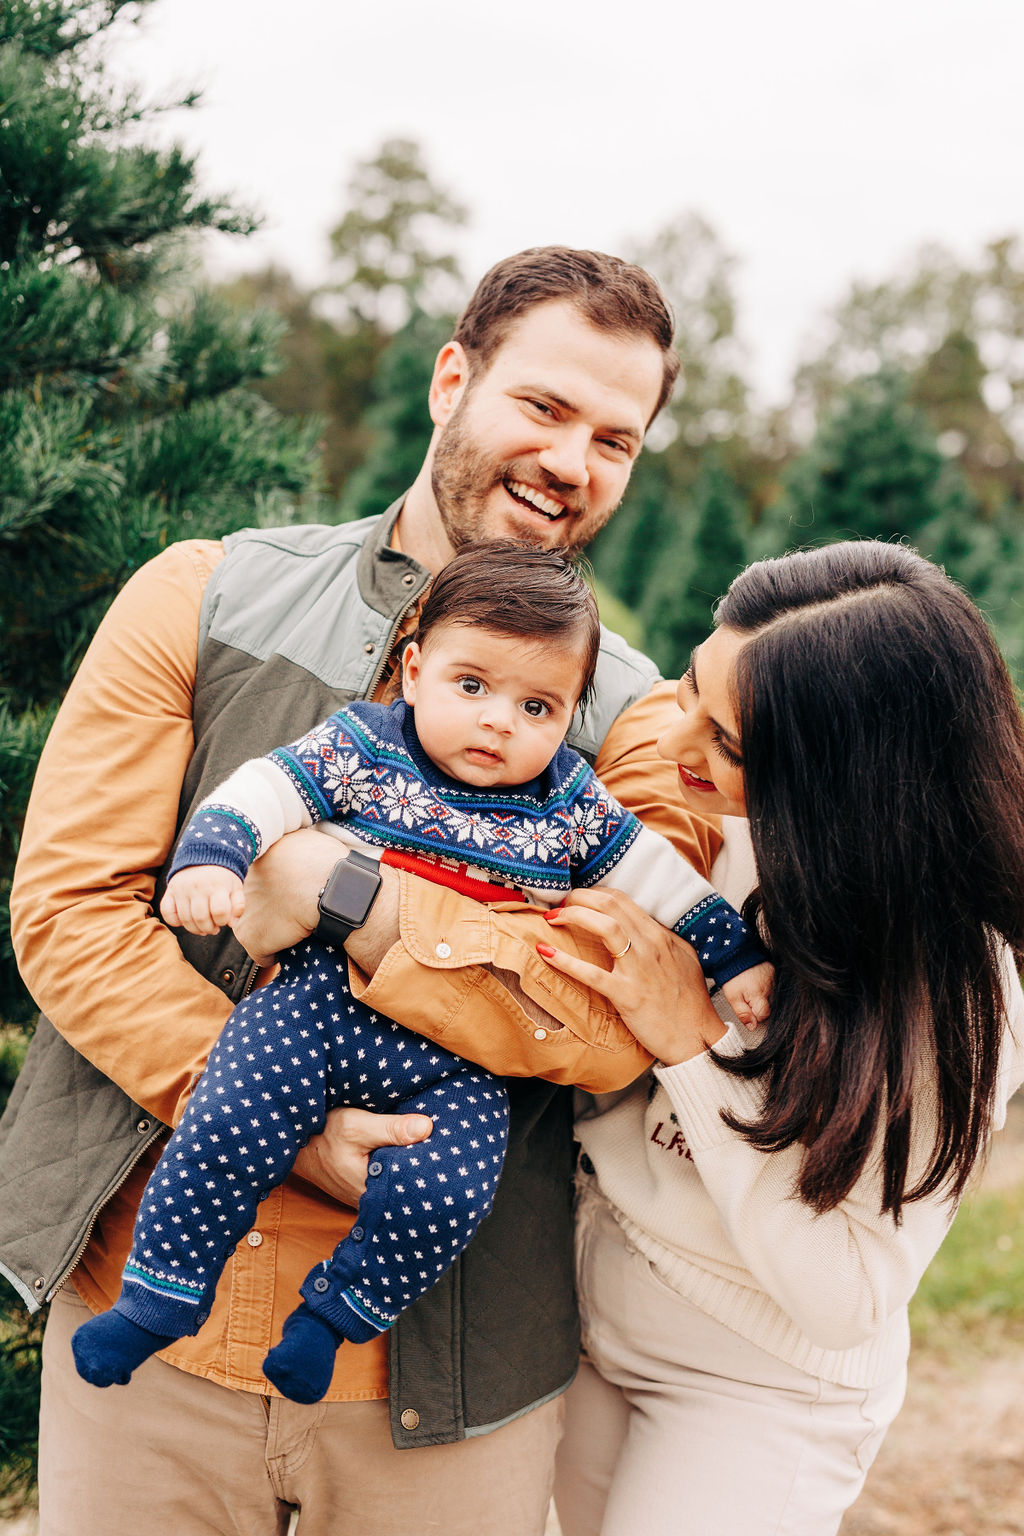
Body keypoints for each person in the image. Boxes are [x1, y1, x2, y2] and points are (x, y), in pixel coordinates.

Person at [4, 247, 724, 1535]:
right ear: (454, 378)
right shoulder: (203, 591)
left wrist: (351, 900)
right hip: (145, 1320)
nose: (572, 461)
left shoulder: (635, 715)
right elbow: (70, 908)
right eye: (545, 408)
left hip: (446, 1369)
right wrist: (271, 1108)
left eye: (616, 439)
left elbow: (617, 1027)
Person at [70, 541, 771, 1404]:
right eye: (470, 686)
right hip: (318, 1001)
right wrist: (215, 858)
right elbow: (267, 790)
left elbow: (658, 881)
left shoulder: (567, 803)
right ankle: (160, 1296)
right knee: (229, 1114)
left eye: (537, 705)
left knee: (452, 1189)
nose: (498, 722)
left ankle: (333, 1315)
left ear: (567, 716)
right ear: (413, 670)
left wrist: (732, 953)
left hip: (455, 1049)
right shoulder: (367, 746)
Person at [528, 541, 1024, 1536]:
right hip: (583, 1325)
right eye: (687, 687)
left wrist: (689, 1043)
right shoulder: (702, 834)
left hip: (760, 1391)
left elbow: (848, 1293)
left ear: (844, 780)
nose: (676, 752)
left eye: (729, 745)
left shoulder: (959, 987)